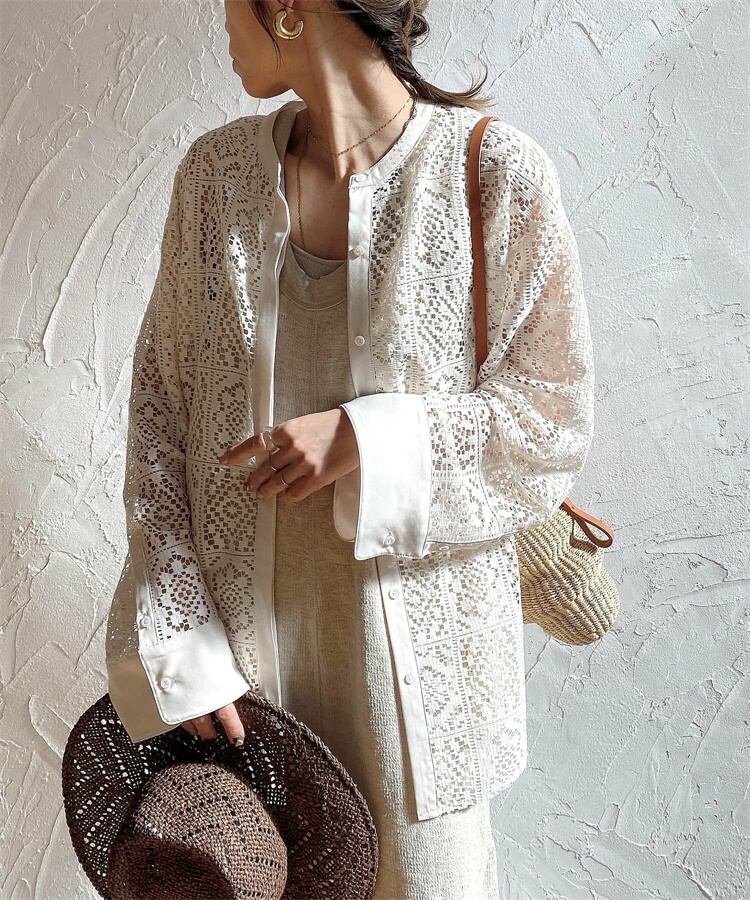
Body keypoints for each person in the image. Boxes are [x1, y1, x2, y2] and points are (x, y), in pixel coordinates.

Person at [105, 1, 596, 897]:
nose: (223, 22)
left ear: (289, 8)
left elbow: (549, 418)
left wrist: (366, 437)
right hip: (247, 700)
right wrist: (183, 650)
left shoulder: (493, 174)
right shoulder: (213, 177)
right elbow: (159, 422)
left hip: (420, 720)